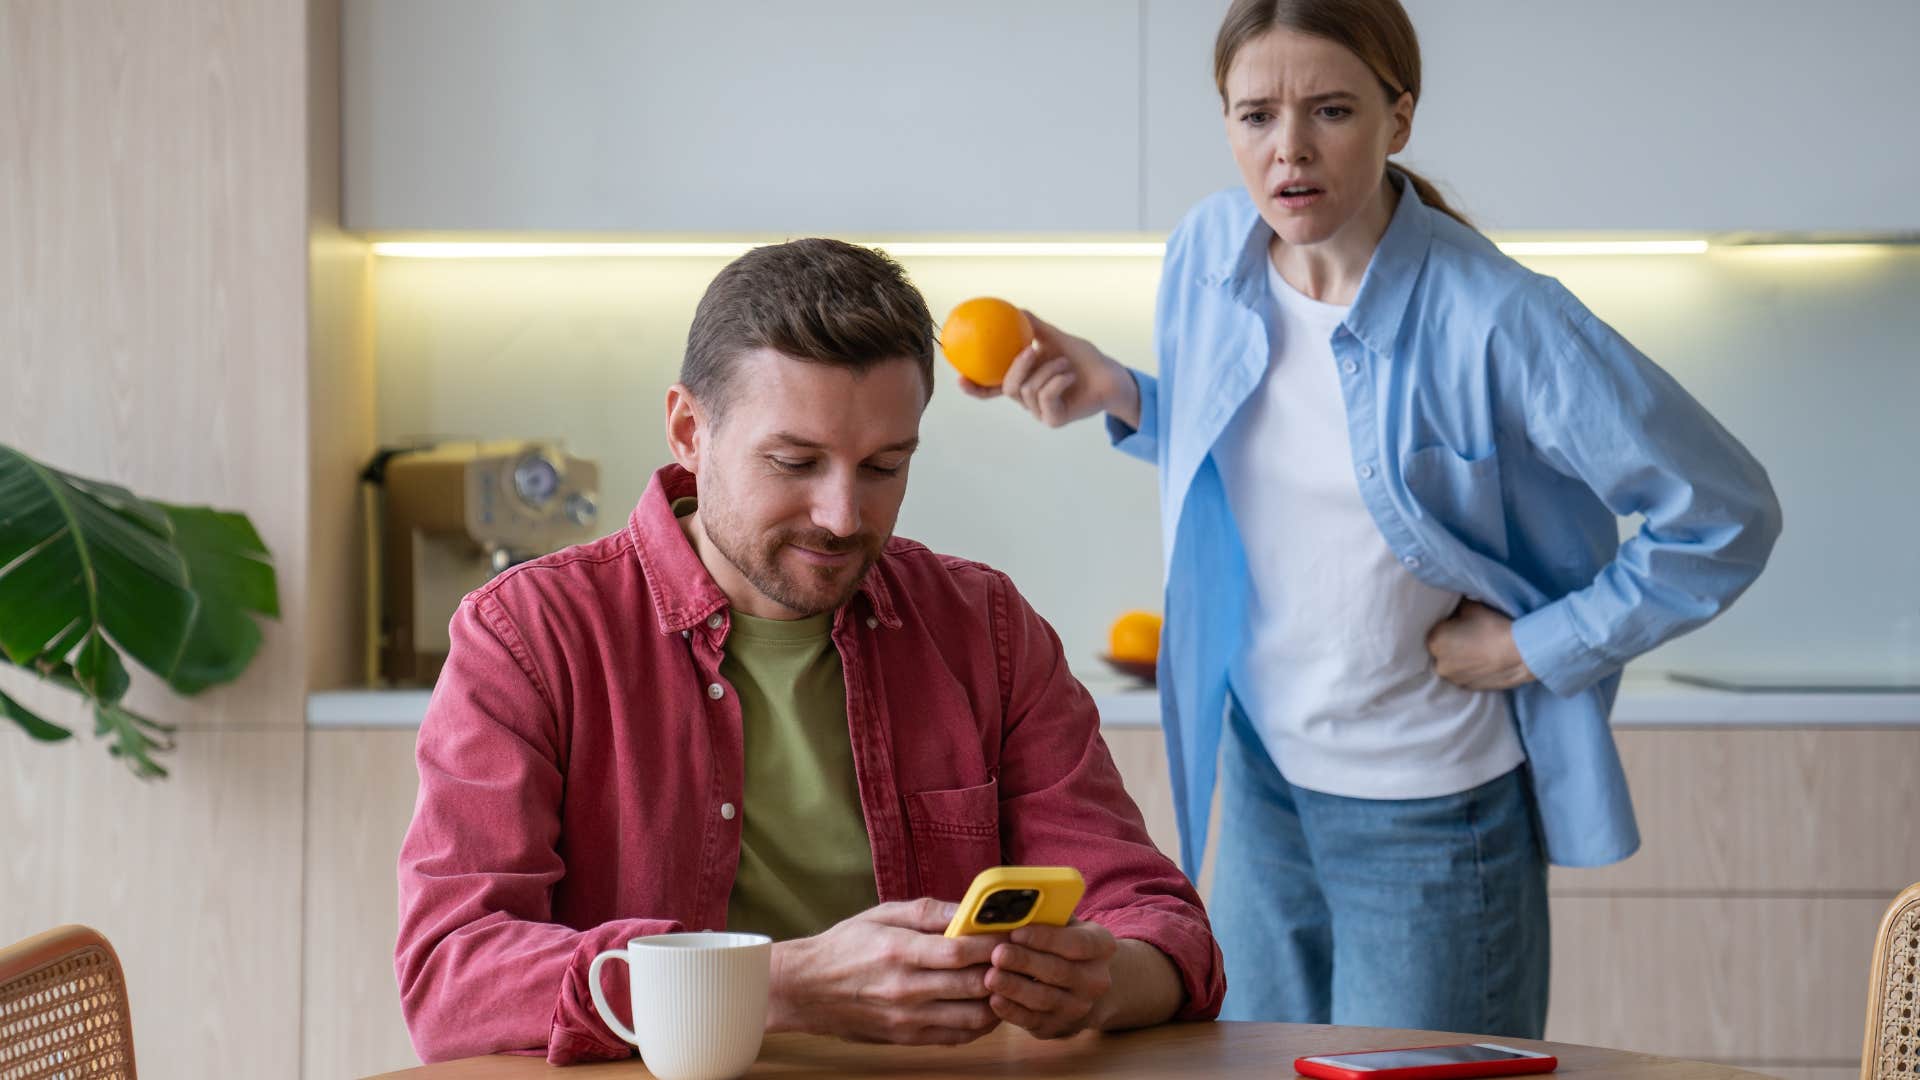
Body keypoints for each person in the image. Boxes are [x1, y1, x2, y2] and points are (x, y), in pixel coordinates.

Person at [961, 0, 1781, 1038]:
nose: (1288, 151)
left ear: (1399, 117)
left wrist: (1538, 645)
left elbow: (1724, 514)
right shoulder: (1209, 252)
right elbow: (1281, 453)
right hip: (1263, 780)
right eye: (1255, 115)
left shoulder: (1500, 318)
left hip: (1431, 814)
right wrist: (1124, 392)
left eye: (1332, 110)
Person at [393, 238, 1224, 1064]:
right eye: (795, 462)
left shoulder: (987, 629)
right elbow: (453, 977)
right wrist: (781, 983)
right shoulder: (526, 635)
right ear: (689, 429)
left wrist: (1103, 978)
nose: (841, 515)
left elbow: (1163, 926)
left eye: (883, 467)